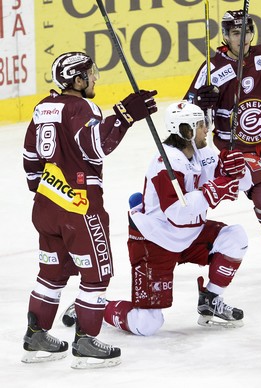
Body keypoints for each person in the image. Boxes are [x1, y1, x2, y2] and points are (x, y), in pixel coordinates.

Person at [65, 101, 250, 336]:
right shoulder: (167, 163)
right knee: (146, 324)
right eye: (202, 125)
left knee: (235, 237)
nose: (208, 130)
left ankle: (210, 299)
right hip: (154, 241)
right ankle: (95, 306)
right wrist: (214, 190)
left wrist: (237, 171)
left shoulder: (203, 152)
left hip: (189, 234)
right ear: (187, 131)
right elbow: (177, 212)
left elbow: (239, 185)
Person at [21, 51, 157, 368]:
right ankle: (84, 344)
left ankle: (35, 335)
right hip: (80, 207)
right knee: (96, 275)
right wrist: (124, 115)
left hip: (45, 206)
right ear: (77, 80)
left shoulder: (42, 108)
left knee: (51, 274)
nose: (95, 78)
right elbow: (98, 145)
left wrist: (49, 193)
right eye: (90, 74)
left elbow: (30, 161)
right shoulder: (81, 106)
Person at [183, 10, 261, 278]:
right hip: (237, 146)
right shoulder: (212, 70)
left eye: (247, 32)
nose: (243, 38)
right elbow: (188, 115)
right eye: (237, 33)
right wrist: (201, 105)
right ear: (226, 36)